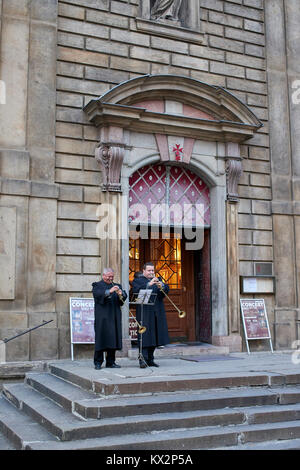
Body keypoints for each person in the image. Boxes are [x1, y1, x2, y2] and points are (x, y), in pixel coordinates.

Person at [131, 262, 170, 368]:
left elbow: (166, 291)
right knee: (145, 336)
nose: (151, 273)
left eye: (153, 270)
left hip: (157, 311)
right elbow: (136, 291)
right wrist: (149, 284)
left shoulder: (159, 280)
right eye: (149, 270)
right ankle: (142, 359)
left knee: (155, 336)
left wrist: (162, 285)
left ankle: (150, 359)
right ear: (143, 271)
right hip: (145, 312)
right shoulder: (137, 281)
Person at [92, 268, 127, 370]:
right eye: (108, 276)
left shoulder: (117, 286)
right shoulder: (97, 285)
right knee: (101, 339)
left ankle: (111, 362)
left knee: (113, 339)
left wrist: (122, 294)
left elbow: (123, 300)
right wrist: (110, 291)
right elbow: (98, 295)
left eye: (112, 276)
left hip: (114, 316)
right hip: (102, 318)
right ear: (103, 275)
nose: (110, 278)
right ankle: (98, 362)